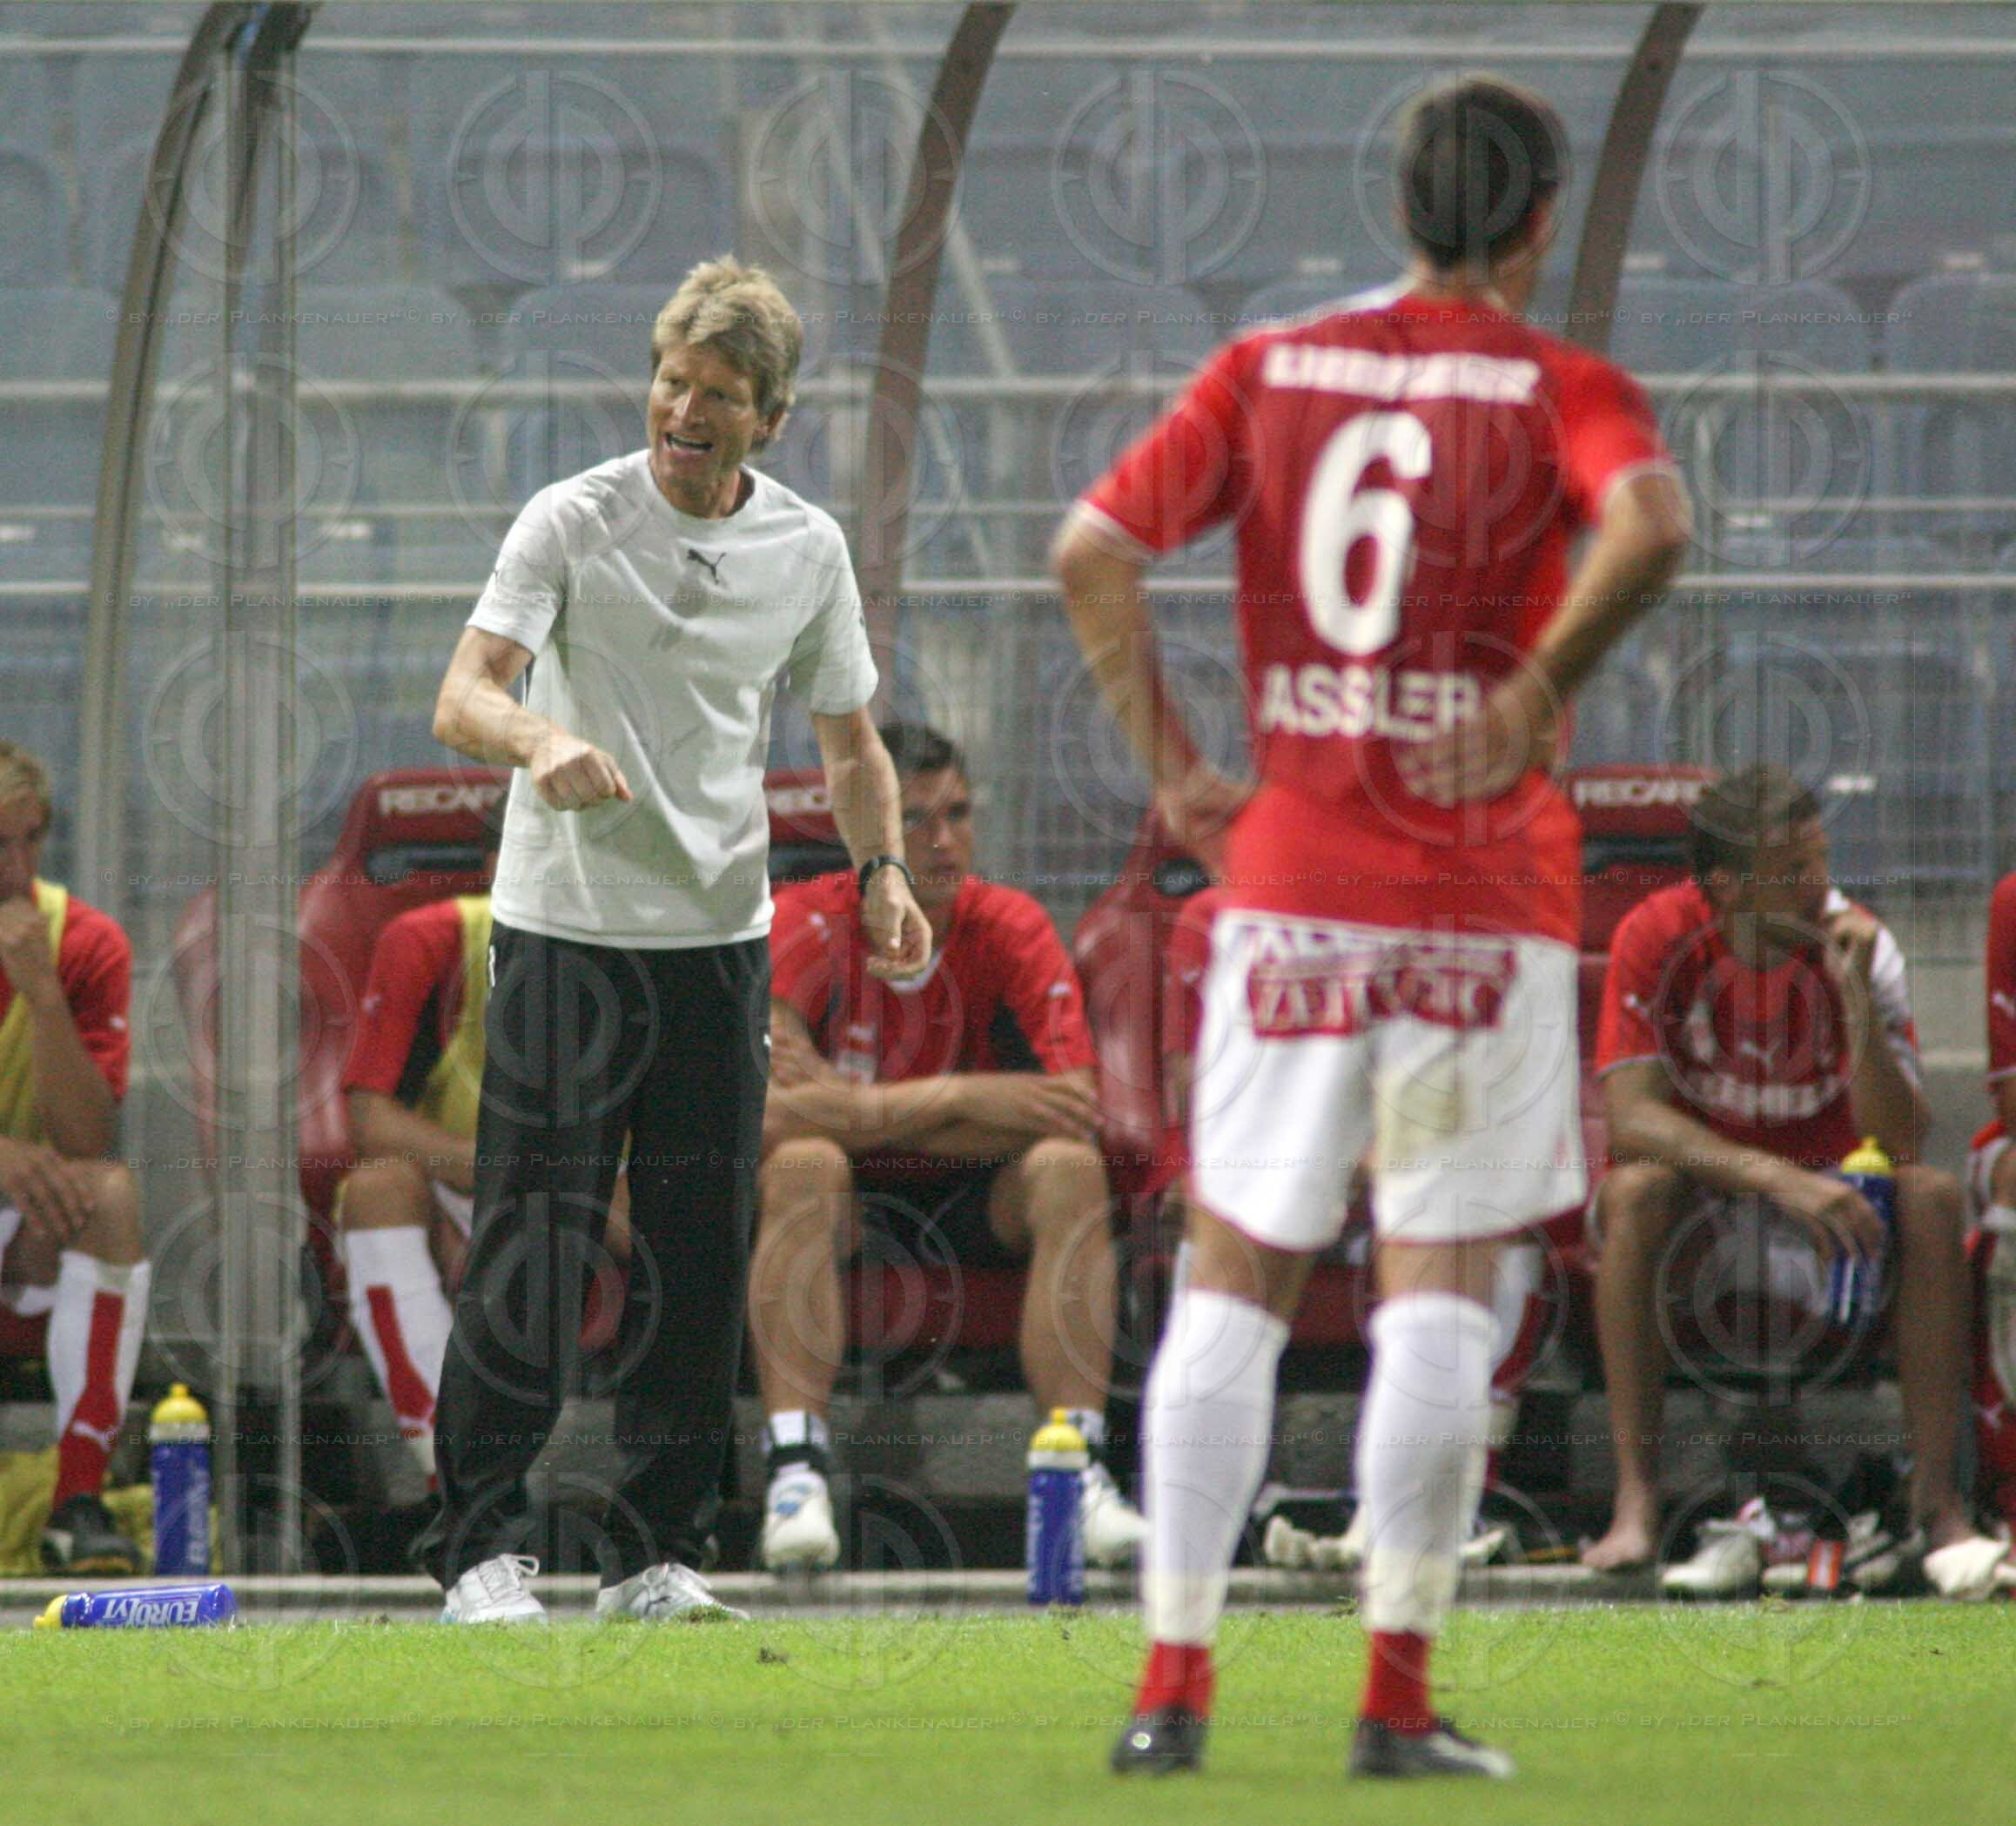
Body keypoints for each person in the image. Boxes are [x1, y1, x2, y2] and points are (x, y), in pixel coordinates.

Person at [1054, 75, 1693, 1780]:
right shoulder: (1562, 388)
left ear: (1399, 203)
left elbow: (1090, 547)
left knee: (1233, 1273)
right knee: (1438, 1290)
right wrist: (1540, 681)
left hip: (1287, 908)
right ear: (1543, 221)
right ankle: (1393, 1703)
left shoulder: (1269, 369)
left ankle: (1170, 1689)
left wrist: (1180, 766)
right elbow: (1654, 522)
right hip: (1472, 922)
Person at [424, 258, 931, 1624]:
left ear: (768, 416)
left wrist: (881, 868)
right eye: (671, 381)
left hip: (718, 945)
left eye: (716, 394)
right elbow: (464, 694)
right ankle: (479, 1548)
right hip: (564, 935)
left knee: (702, 1248)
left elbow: (851, 742)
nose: (683, 409)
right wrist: (543, 738)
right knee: (538, 1231)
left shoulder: (807, 549)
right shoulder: (571, 519)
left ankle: (652, 1555)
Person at [1583, 765, 2007, 1599]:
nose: (1819, 887)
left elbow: (1904, 1135)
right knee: (1633, 1191)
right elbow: (1632, 1119)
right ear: (1724, 886)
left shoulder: (1864, 943)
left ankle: (1937, 1502)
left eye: (1819, 862)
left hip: (1834, 1218)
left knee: (1929, 1197)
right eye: (1791, 873)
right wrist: (1778, 1178)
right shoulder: (1654, 934)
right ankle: (1637, 1495)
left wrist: (1855, 1004)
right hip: (1710, 1214)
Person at [752, 722, 1146, 1571]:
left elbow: (1074, 1106)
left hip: (975, 1186)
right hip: (848, 1194)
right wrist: (966, 1098)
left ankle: (1077, 1471)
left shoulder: (1010, 924)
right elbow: (772, 1118)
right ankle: (796, 1470)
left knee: (1071, 1170)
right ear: (871, 832)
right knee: (802, 1162)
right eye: (917, 820)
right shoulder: (803, 922)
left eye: (958, 814)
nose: (942, 839)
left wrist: (869, 1103)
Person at [336, 887, 630, 1483]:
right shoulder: (430, 942)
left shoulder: (654, 935)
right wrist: (500, 1179)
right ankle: (446, 1463)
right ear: (499, 865)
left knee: (701, 1200)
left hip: (601, 1180)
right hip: (463, 1173)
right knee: (375, 1192)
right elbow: (369, 1119)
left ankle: (682, 1480)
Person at [0, 741, 151, 1574]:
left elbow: (88, 1140)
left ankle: (77, 1501)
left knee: (112, 1195)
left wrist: (42, 995)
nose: (19, 869)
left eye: (33, 840)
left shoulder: (85, 940)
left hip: (30, 1227)